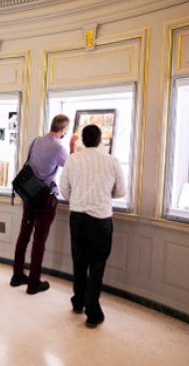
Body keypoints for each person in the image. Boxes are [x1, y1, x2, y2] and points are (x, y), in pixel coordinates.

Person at [60, 125, 126, 328]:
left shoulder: (72, 159)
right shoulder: (112, 161)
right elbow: (121, 191)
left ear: (82, 141)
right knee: (97, 264)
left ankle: (78, 302)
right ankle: (92, 311)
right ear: (100, 141)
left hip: (78, 217)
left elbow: (64, 190)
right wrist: (104, 196)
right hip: (100, 219)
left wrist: (78, 199)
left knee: (79, 261)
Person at [11, 114, 77, 294]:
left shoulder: (36, 141)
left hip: (29, 196)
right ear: (63, 130)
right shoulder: (58, 148)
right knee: (39, 240)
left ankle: (17, 275)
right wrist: (72, 146)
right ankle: (34, 282)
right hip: (44, 200)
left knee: (24, 235)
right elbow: (73, 166)